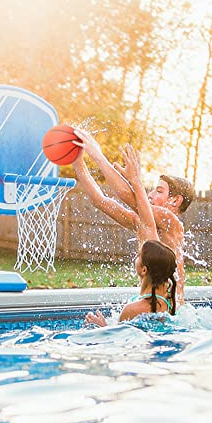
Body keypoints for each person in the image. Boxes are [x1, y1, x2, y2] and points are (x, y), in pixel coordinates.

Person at [73, 129, 195, 304]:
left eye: (159, 191)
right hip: (153, 306)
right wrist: (78, 163)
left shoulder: (171, 221)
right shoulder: (141, 223)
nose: (151, 195)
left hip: (167, 309)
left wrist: (97, 155)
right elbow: (99, 200)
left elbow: (128, 197)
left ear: (175, 201)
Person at [82, 144, 177, 327]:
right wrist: (79, 164)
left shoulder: (134, 309)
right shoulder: (167, 294)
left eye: (139, 255)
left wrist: (104, 328)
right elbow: (102, 201)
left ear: (144, 270)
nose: (136, 254)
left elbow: (117, 339)